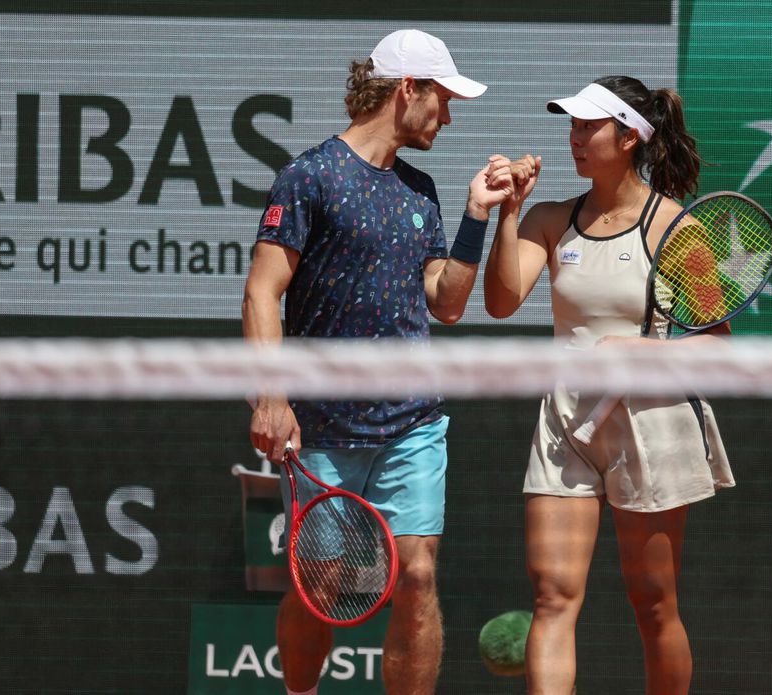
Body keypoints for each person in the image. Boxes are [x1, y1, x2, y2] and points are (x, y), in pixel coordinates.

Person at [242, 29, 528, 695]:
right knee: (322, 586)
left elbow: (447, 302)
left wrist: (476, 217)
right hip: (322, 426)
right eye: (444, 100)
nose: (448, 116)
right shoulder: (309, 177)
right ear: (408, 90)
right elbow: (262, 291)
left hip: (412, 424)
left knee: (419, 573)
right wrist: (271, 396)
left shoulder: (421, 190)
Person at [483, 76, 735, 695]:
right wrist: (509, 212)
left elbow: (719, 344)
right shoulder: (547, 220)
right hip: (567, 425)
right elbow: (501, 301)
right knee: (552, 596)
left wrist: (645, 350)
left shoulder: (673, 227)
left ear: (628, 137)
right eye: (570, 125)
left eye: (587, 126)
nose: (573, 137)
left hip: (650, 424)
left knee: (653, 606)